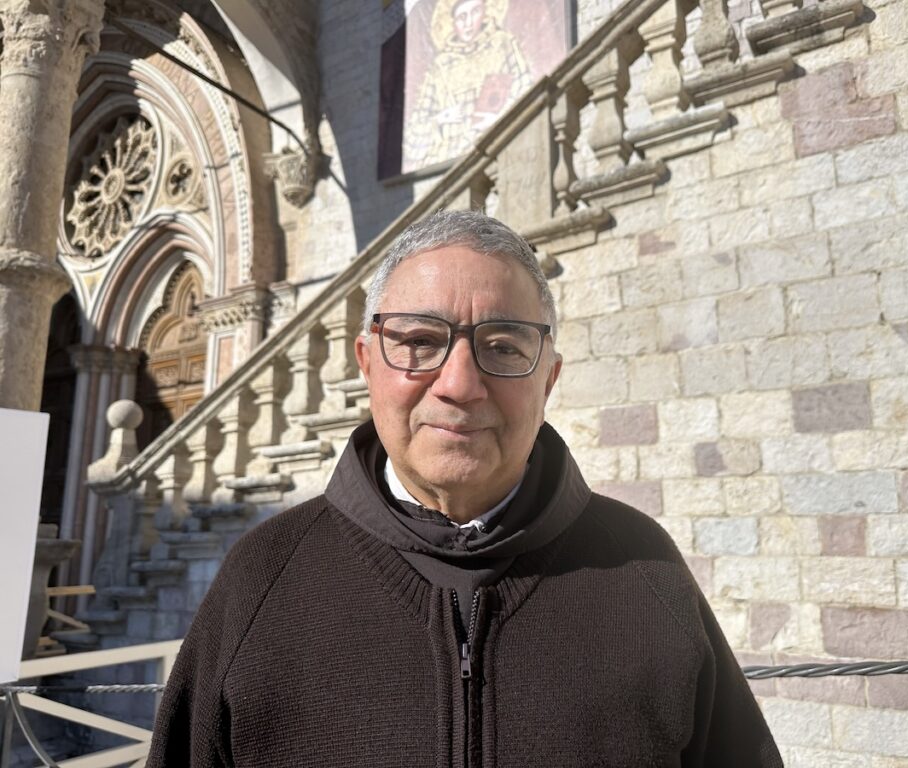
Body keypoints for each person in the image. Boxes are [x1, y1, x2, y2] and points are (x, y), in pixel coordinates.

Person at [147, 210, 783, 767]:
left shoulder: (644, 569)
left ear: (549, 380)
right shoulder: (263, 577)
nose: (458, 384)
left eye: (503, 347)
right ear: (367, 363)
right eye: (420, 341)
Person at [403, 0, 532, 170]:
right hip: (451, 160)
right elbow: (412, 138)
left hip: (498, 142)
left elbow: (525, 87)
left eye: (475, 12)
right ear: (452, 22)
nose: (468, 23)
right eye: (462, 17)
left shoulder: (502, 44)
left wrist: (499, 118)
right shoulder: (440, 67)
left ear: (485, 12)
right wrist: (441, 118)